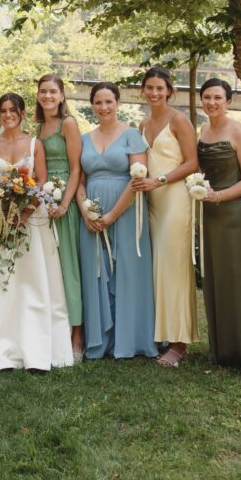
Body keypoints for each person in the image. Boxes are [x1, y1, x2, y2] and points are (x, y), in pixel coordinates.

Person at [0, 93, 73, 371]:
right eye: (3, 111)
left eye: (13, 110)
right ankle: (1, 346)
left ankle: (36, 346)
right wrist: (2, 211)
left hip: (30, 218)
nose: (7, 115)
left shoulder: (35, 144)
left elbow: (40, 181)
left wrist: (24, 213)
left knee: (32, 281)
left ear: (22, 113)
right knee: (1, 281)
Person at [76, 83, 157, 360]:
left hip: (126, 210)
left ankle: (129, 339)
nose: (103, 107)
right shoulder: (84, 139)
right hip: (92, 214)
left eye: (108, 101)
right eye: (98, 102)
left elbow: (137, 179)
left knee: (127, 271)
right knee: (96, 272)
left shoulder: (132, 135)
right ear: (92, 105)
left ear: (117, 103)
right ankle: (100, 340)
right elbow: (80, 181)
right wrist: (86, 211)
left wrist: (111, 215)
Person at [197, 78, 241, 371]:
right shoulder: (203, 130)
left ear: (228, 100)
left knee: (238, 279)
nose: (212, 102)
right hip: (211, 214)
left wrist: (219, 196)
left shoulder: (239, 132)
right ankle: (222, 350)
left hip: (236, 214)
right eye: (207, 97)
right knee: (218, 279)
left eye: (217, 97)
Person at [133, 67, 199, 367]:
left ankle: (179, 343)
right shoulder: (143, 124)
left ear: (169, 91)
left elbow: (192, 163)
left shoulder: (179, 120)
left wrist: (159, 181)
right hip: (151, 202)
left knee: (174, 268)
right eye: (149, 87)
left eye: (160, 88)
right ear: (143, 90)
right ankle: (162, 334)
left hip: (174, 199)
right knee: (157, 268)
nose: (154, 93)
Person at [36, 73, 84, 359]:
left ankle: (77, 334)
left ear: (62, 95)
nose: (48, 96)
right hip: (44, 199)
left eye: (53, 91)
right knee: (50, 268)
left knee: (69, 266)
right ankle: (55, 327)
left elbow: (77, 168)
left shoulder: (68, 123)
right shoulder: (39, 127)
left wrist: (65, 203)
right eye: (43, 91)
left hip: (65, 198)